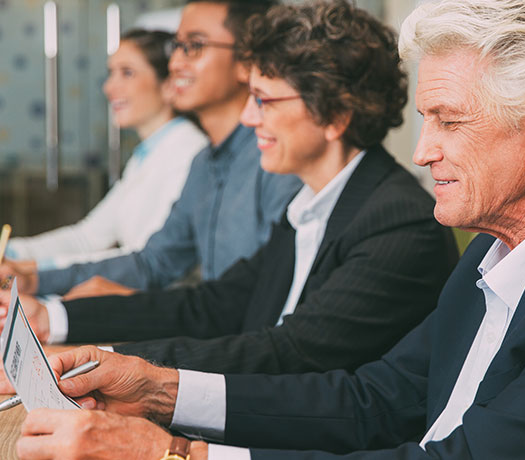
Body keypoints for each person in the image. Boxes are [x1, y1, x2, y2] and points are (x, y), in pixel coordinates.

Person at [8, 0, 525, 459]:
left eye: (449, 122)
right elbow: (379, 396)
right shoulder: (498, 243)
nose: (422, 152)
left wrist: (174, 455)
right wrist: (159, 389)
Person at [1, 0, 457, 379]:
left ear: (336, 114)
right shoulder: (310, 203)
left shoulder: (396, 220)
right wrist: (55, 319)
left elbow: (288, 354)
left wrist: (121, 368)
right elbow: (214, 304)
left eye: (265, 101)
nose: (249, 118)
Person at [0, 0, 301, 303]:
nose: (175, 64)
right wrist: (34, 278)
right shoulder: (204, 164)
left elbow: (256, 303)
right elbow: (153, 262)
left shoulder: (275, 158)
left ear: (246, 61)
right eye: (176, 47)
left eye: (194, 46)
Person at [4, 29, 208, 271]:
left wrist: (30, 270)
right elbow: (87, 238)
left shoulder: (188, 153)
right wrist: (12, 253)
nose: (110, 87)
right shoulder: (149, 154)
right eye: (111, 73)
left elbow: (145, 262)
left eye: (127, 73)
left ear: (168, 85)